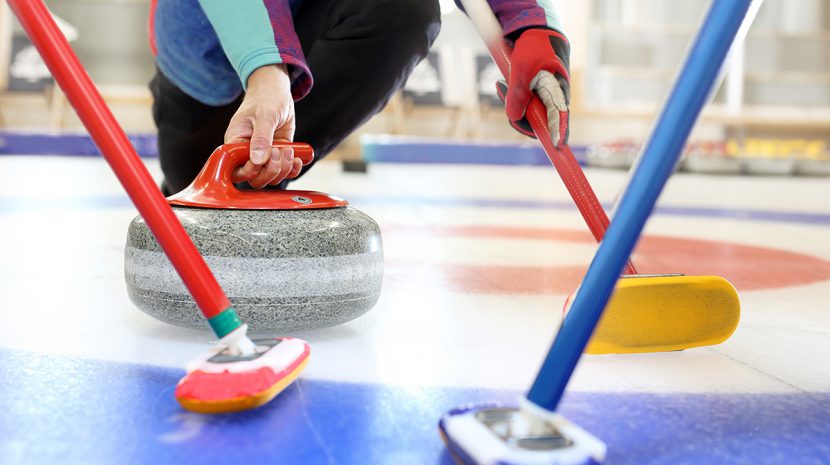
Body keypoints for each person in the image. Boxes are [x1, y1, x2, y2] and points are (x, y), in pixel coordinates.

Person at [148, 0, 570, 195]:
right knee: (190, 193)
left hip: (320, 29)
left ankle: (267, 168)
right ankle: (208, 184)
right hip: (207, 64)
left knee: (405, 9)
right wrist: (266, 70)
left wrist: (533, 28)